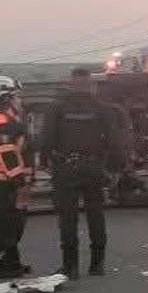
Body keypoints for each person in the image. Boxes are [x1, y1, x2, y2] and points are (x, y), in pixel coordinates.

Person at [41, 68, 123, 280]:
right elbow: (114, 141)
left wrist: (45, 161)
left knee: (67, 218)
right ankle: (97, 265)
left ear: (70, 83)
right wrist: (114, 168)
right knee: (96, 215)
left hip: (65, 167)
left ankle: (70, 267)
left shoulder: (56, 108)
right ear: (90, 85)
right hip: (94, 167)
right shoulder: (103, 108)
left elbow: (47, 140)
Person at [0, 75, 34, 280]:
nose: (19, 101)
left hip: (3, 181)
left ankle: (11, 262)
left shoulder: (3, 119)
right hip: (3, 182)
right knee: (6, 222)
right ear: (4, 98)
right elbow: (7, 154)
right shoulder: (0, 122)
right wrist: (20, 183)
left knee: (11, 222)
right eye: (15, 96)